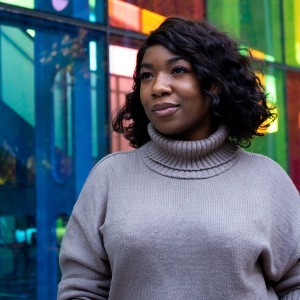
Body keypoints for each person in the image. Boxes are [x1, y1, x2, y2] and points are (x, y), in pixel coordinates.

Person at [57, 16, 300, 299]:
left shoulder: (266, 178)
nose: (158, 87)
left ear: (215, 85)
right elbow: (80, 288)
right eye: (147, 75)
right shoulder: (110, 177)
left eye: (178, 70)